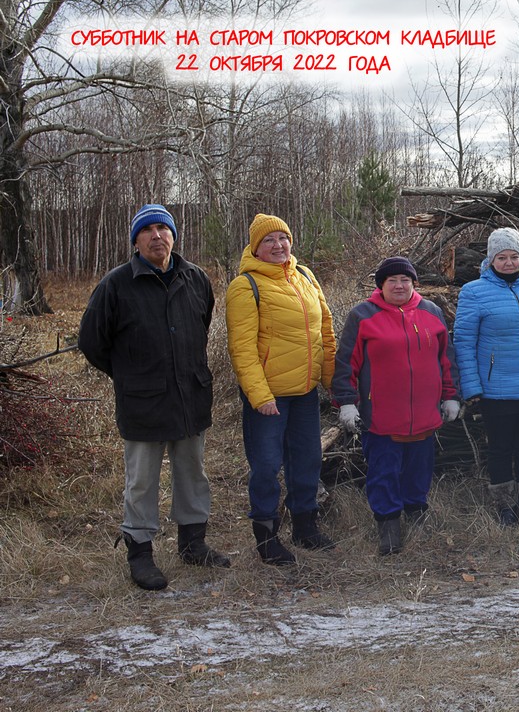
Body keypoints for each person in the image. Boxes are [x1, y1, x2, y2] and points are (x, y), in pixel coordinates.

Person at [79, 204, 230, 591]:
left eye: (163, 228)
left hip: (190, 397)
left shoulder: (196, 278)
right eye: (147, 230)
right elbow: (92, 342)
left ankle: (193, 544)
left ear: (174, 236)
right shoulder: (116, 285)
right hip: (142, 402)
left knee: (192, 474)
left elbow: (203, 321)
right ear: (136, 241)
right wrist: (129, 374)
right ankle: (140, 554)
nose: (156, 236)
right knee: (142, 481)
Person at [226, 214, 337, 565]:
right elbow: (241, 349)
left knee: (307, 460)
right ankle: (267, 537)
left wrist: (334, 385)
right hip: (269, 398)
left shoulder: (304, 276)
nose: (278, 245)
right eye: (269, 240)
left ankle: (305, 526)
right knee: (267, 465)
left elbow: (326, 333)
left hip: (304, 392)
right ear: (255, 248)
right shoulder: (246, 286)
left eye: (283, 238)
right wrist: (260, 397)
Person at [333, 257, 460, 555]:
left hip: (424, 415)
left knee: (419, 470)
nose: (399, 285)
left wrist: (451, 395)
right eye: (392, 281)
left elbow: (447, 359)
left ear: (414, 283)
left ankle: (417, 514)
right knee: (384, 472)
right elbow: (345, 363)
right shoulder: (362, 315)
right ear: (381, 285)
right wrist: (347, 403)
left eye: (405, 280)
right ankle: (388, 525)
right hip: (381, 417)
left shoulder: (431, 312)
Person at [454, 228, 519, 528]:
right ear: (491, 259)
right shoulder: (473, 292)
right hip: (496, 388)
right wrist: (471, 386)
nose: (509, 262)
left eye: (514, 256)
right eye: (502, 257)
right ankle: (505, 507)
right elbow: (464, 341)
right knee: (500, 448)